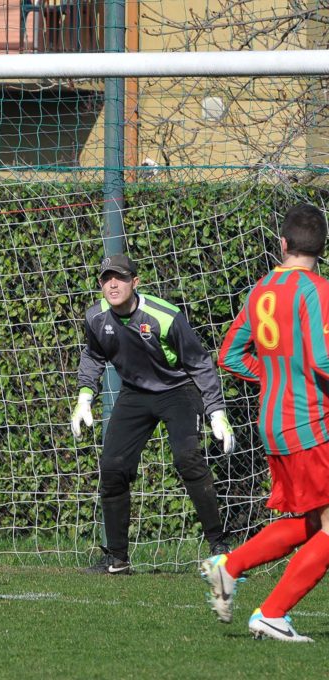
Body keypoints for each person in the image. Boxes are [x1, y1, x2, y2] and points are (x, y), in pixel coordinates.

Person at [203, 203, 329, 642]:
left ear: (283, 243)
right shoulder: (316, 289)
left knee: (314, 522)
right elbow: (323, 359)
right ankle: (272, 612)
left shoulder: (261, 289)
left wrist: (273, 375)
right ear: (322, 247)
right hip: (310, 422)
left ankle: (229, 567)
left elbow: (230, 355)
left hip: (273, 421)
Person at [71, 252, 234, 574]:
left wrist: (216, 411)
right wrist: (85, 396)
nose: (112, 284)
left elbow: (199, 363)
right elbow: (93, 356)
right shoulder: (95, 318)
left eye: (119, 277)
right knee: (113, 466)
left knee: (187, 458)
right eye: (106, 278)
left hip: (178, 390)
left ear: (135, 281)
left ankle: (220, 546)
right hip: (135, 393)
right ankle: (117, 559)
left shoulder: (164, 316)